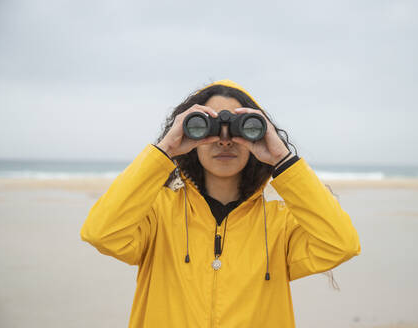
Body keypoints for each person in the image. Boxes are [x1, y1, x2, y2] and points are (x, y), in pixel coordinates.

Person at [80, 79, 361, 327]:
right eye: (208, 126)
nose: (225, 140)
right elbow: (101, 233)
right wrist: (165, 150)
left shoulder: (279, 225)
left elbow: (341, 244)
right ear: (189, 132)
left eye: (239, 130)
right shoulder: (158, 214)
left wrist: (282, 159)